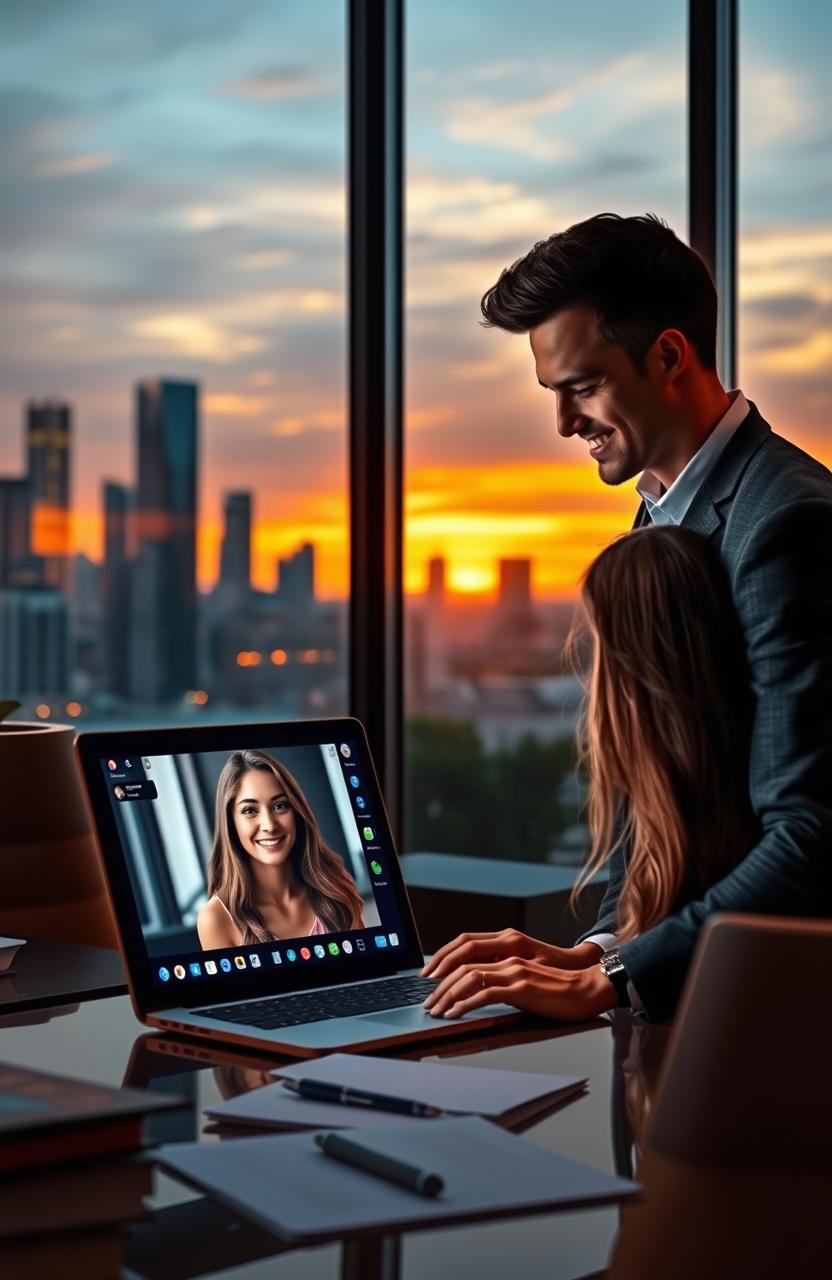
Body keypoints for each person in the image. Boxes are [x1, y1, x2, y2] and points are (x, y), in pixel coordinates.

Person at [423, 212, 832, 1022]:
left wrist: (614, 977)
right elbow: (652, 790)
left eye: (582, 386)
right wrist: (602, 950)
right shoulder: (659, 515)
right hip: (692, 1001)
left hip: (773, 1021)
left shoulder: (789, 523)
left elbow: (811, 832)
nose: (565, 424)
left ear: (669, 355)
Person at [197, 748, 365, 948]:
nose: (269, 825)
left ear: (296, 811)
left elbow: (370, 967)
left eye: (280, 806)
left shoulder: (334, 885)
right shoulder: (216, 918)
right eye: (250, 810)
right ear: (230, 822)